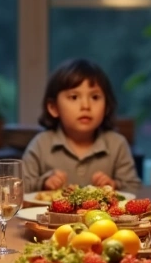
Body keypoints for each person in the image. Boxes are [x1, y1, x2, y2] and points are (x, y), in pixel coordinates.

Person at [22, 58, 142, 193]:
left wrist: (114, 185)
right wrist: (43, 182)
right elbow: (20, 188)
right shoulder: (41, 144)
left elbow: (134, 189)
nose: (86, 106)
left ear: (107, 107)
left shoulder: (117, 144)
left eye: (95, 97)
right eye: (74, 97)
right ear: (53, 107)